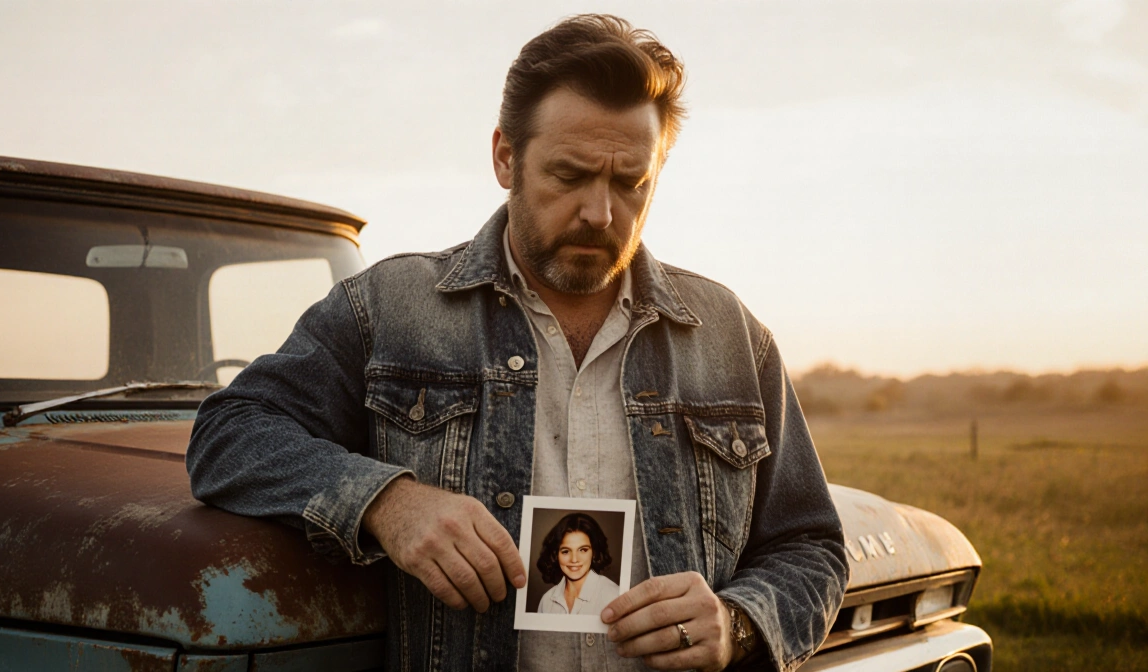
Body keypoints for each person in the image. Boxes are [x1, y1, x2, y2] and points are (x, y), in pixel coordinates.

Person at [187, 13, 848, 672]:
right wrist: (387, 501)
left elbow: (811, 547)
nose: (601, 212)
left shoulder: (731, 334)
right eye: (570, 174)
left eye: (630, 182)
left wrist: (737, 623)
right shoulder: (387, 309)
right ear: (506, 156)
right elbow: (230, 433)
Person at [535, 513, 621, 615]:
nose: (574, 559)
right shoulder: (546, 601)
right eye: (566, 551)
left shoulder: (613, 596)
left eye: (583, 550)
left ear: (594, 552)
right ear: (556, 555)